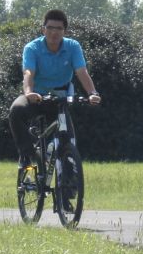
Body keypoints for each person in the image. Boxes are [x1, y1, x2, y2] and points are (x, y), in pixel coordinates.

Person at [9, 9, 100, 169]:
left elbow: (81, 72)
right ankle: (26, 154)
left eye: (59, 28)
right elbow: (28, 72)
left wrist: (92, 93)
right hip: (36, 95)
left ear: (65, 31)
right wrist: (29, 92)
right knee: (16, 110)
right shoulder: (32, 48)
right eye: (50, 28)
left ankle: (70, 181)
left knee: (67, 138)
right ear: (43, 29)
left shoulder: (73, 47)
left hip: (60, 98)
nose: (54, 32)